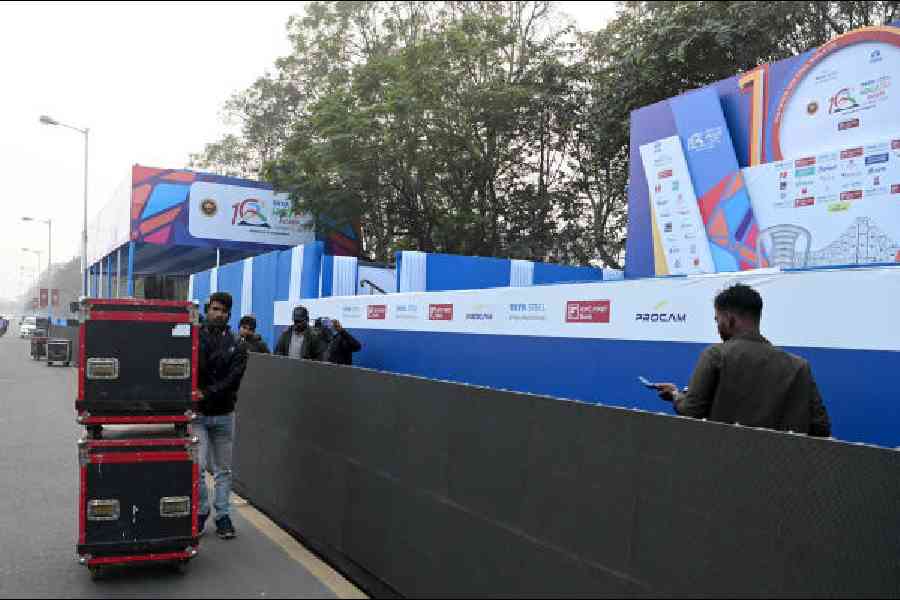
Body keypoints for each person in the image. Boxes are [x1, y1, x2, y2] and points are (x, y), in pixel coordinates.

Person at [655, 283, 831, 437]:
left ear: (730, 320)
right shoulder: (800, 366)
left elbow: (691, 412)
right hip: (783, 470)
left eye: (717, 320)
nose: (717, 326)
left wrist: (676, 395)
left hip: (725, 466)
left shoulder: (716, 355)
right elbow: (821, 427)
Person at [197, 291, 248, 539]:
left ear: (229, 314)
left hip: (224, 414)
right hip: (197, 415)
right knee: (195, 467)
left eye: (223, 310)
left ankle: (223, 516)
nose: (218, 314)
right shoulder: (194, 337)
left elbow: (233, 380)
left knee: (223, 470)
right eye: (215, 309)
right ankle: (201, 510)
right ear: (208, 309)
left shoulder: (238, 344)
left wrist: (204, 394)